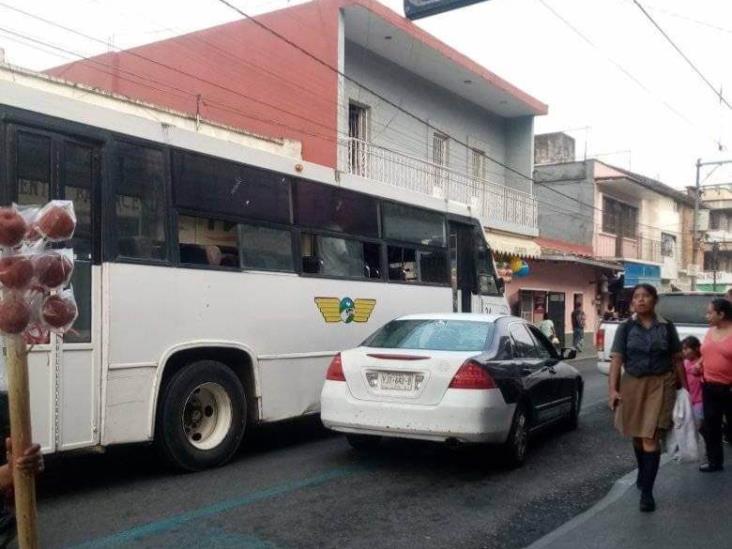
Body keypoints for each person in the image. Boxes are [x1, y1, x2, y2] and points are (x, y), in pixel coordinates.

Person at [608, 283, 685, 512]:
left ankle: (647, 493)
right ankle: (643, 473)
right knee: (637, 435)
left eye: (645, 296)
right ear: (632, 302)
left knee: (651, 437)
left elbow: (677, 359)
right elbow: (616, 360)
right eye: (636, 297)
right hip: (632, 383)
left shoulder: (666, 327)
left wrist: (685, 388)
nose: (640, 300)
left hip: (661, 384)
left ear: (654, 300)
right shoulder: (626, 328)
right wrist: (613, 390)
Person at [698, 298, 732, 473]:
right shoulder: (710, 331)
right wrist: (700, 364)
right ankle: (714, 462)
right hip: (709, 386)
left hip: (729, 388)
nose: (707, 316)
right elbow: (706, 352)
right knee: (711, 426)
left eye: (710, 312)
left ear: (721, 314)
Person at [681, 336, 704, 429]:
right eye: (682, 349)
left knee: (696, 426)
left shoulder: (702, 362)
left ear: (696, 348)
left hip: (699, 401)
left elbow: (697, 371)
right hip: (687, 400)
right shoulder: (684, 362)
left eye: (686, 349)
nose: (684, 351)